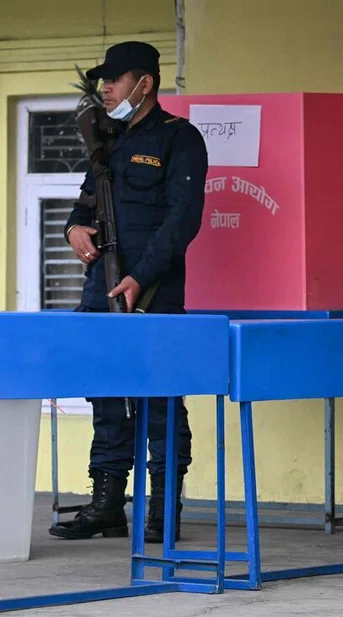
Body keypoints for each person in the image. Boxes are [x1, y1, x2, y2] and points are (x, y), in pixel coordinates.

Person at [50, 41, 208, 544]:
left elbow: (182, 220)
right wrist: (75, 229)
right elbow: (84, 205)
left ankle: (163, 510)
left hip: (153, 289)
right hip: (103, 288)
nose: (106, 89)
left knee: (161, 397)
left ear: (145, 84)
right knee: (105, 393)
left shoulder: (179, 139)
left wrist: (140, 277)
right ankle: (106, 504)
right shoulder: (108, 141)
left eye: (114, 80)